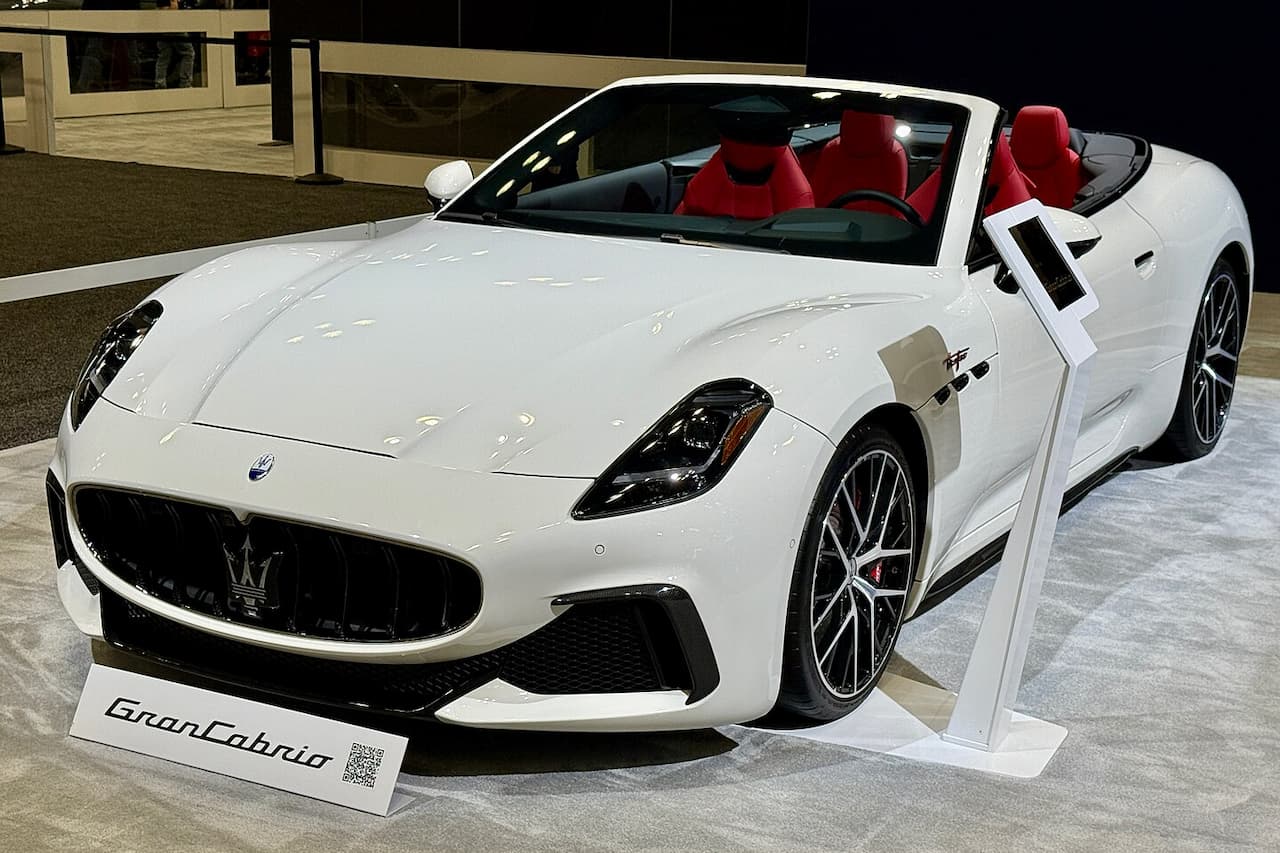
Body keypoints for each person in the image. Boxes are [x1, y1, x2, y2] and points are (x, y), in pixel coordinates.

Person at [155, 0, 196, 89]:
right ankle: (185, 83)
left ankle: (160, 83)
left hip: (162, 25)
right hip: (172, 24)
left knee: (164, 56)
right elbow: (173, 7)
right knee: (188, 53)